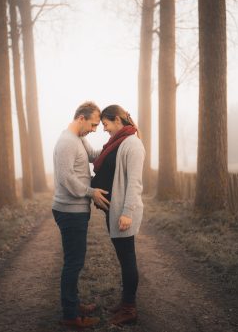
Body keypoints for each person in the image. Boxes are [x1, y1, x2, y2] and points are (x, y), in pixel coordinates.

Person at [52, 101, 109, 329]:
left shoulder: (78, 139)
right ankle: (70, 316)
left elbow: (95, 156)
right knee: (73, 264)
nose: (94, 129)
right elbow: (66, 179)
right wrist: (91, 192)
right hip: (69, 211)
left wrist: (116, 141)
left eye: (97, 126)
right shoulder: (67, 142)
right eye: (93, 125)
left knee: (75, 261)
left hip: (76, 211)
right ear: (81, 118)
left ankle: (73, 305)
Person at [90, 104, 145, 326]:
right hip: (113, 209)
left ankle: (129, 308)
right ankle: (125, 303)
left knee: (128, 259)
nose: (104, 129)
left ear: (117, 121)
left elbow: (135, 183)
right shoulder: (117, 143)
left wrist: (127, 213)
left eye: (105, 124)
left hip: (124, 212)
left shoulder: (133, 144)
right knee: (123, 260)